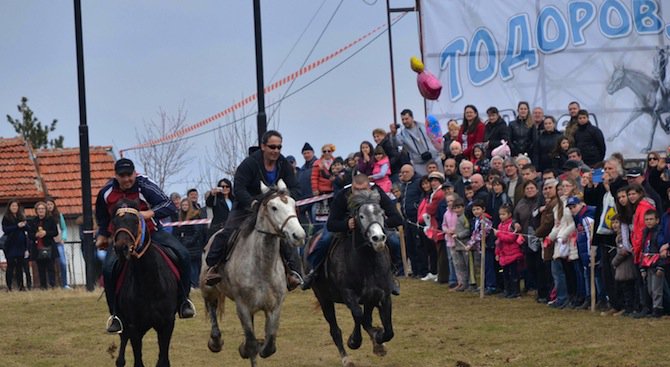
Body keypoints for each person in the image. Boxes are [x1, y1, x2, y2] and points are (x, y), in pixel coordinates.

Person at [96, 158, 195, 333]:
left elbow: (169, 205)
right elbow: (102, 216)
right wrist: (102, 234)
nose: (127, 179)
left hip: (152, 233)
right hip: (122, 239)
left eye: (129, 175)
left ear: (135, 173)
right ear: (115, 176)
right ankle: (115, 315)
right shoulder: (106, 192)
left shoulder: (145, 185)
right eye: (122, 176)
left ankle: (183, 301)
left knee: (183, 254)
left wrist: (150, 213)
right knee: (108, 269)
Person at [204, 131, 303, 290]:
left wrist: (287, 195)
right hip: (246, 207)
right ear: (263, 146)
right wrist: (252, 203)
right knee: (227, 232)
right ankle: (213, 267)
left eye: (279, 147)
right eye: (272, 147)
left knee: (285, 234)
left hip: (274, 208)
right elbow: (239, 188)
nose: (276, 150)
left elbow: (296, 187)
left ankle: (293, 272)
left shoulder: (283, 163)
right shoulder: (249, 163)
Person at [301, 173, 403, 291]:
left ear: (369, 187)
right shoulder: (343, 195)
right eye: (357, 190)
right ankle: (313, 271)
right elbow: (331, 223)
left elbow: (397, 218)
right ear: (352, 187)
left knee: (395, 241)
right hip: (346, 228)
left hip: (373, 228)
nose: (360, 193)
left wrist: (378, 224)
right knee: (324, 240)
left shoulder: (378, 193)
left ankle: (391, 274)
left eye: (363, 189)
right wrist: (346, 224)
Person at [389, 109, 443, 175]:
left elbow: (437, 137)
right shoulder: (402, 134)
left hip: (434, 158)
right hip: (419, 163)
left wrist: (439, 150)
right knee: (424, 182)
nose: (404, 121)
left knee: (439, 178)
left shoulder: (424, 126)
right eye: (402, 120)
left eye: (406, 119)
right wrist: (393, 135)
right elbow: (395, 144)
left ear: (412, 118)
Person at [398, 164, 426, 278]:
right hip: (406, 220)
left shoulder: (418, 183)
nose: (404, 174)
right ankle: (414, 270)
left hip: (416, 220)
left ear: (412, 172)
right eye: (402, 172)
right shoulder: (403, 185)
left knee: (418, 246)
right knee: (410, 246)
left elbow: (422, 197)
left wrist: (416, 207)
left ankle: (422, 271)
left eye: (406, 172)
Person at [174, 199, 207, 289]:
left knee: (194, 265)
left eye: (186, 205)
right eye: (183, 205)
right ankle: (192, 283)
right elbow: (178, 231)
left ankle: (195, 283)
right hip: (184, 242)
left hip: (194, 244)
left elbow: (197, 231)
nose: (184, 206)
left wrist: (190, 241)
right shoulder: (180, 217)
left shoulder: (195, 216)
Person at [639, 209, 665, 318]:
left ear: (657, 220)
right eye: (647, 220)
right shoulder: (645, 233)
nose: (649, 222)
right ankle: (652, 307)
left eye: (651, 219)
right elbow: (644, 249)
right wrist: (642, 268)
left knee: (657, 288)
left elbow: (662, 251)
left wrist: (661, 266)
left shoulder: (659, 233)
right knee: (650, 288)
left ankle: (657, 309)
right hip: (647, 264)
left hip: (657, 264)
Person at [494, 204, 524, 298]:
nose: (501, 216)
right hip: (504, 254)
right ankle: (507, 290)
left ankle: (515, 291)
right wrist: (497, 252)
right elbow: (499, 242)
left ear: (509, 214)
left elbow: (511, 238)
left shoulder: (512, 225)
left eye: (503, 214)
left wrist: (498, 234)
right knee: (505, 274)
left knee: (514, 274)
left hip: (513, 253)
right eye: (500, 214)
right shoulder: (500, 225)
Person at [28, 201, 59, 289]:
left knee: (51, 268)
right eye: (39, 209)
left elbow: (55, 232)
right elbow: (30, 235)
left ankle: (52, 285)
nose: (41, 211)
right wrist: (36, 235)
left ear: (46, 210)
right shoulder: (33, 221)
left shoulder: (51, 220)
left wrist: (46, 233)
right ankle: (43, 286)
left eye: (42, 209)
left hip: (49, 246)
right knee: (41, 269)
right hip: (38, 247)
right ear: (36, 210)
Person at [610, 214, 636, 316]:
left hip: (625, 267)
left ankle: (628, 308)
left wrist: (614, 262)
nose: (614, 225)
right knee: (624, 288)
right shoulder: (618, 236)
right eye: (613, 222)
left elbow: (623, 252)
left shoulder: (622, 237)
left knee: (627, 288)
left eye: (617, 222)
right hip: (622, 267)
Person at [2, 199, 30, 291]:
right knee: (10, 265)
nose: (15, 208)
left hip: (20, 245)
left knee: (19, 266)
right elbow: (5, 229)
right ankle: (9, 286)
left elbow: (28, 228)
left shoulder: (21, 216)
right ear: (9, 207)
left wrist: (24, 225)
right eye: (13, 206)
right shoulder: (6, 217)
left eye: (16, 206)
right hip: (10, 245)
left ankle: (21, 286)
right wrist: (17, 226)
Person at [443, 196, 470, 291]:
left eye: (458, 207)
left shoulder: (464, 218)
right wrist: (447, 230)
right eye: (455, 208)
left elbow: (467, 230)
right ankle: (461, 282)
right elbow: (444, 225)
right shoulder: (446, 214)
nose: (457, 210)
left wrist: (458, 235)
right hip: (454, 244)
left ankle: (469, 283)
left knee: (467, 265)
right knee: (458, 264)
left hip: (464, 244)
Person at [46, 198, 69, 289]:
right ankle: (50, 284)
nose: (49, 206)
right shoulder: (45, 217)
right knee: (49, 264)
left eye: (51, 204)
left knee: (62, 262)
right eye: (48, 205)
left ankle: (65, 284)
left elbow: (64, 228)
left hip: (58, 242)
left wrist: (63, 238)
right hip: (48, 242)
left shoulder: (59, 216)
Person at [297, 142, 317, 223]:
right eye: (304, 153)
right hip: (305, 199)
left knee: (316, 220)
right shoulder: (302, 169)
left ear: (313, 152)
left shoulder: (318, 165)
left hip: (316, 198)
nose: (306, 155)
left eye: (308, 153)